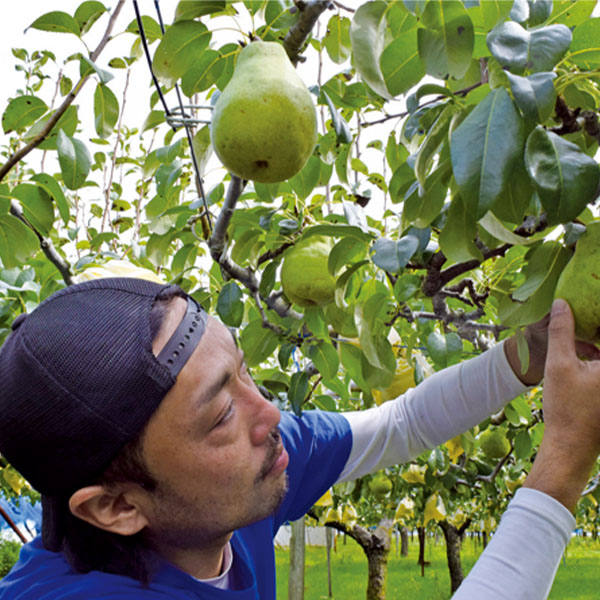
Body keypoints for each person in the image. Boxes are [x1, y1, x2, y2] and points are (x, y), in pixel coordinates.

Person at [0, 277, 598, 599]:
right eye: (219, 416)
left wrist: (525, 359)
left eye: (243, 371)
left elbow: (400, 423)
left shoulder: (231, 486)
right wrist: (565, 459)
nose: (269, 415)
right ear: (117, 506)